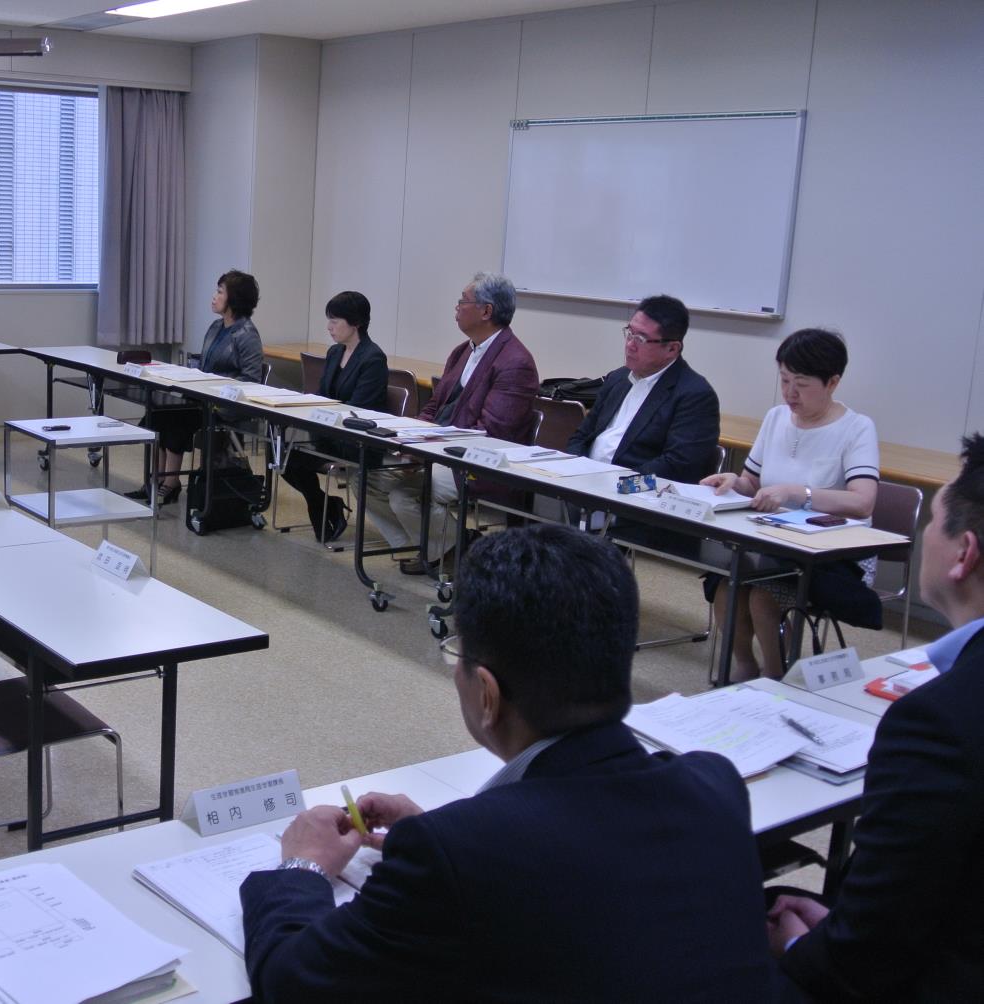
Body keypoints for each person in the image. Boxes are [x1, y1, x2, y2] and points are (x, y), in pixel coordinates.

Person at [239, 524, 777, 1001]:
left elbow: (293, 980)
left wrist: (302, 866)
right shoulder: (714, 785)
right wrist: (444, 834)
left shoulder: (458, 855)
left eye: (458, 654)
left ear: (488, 694)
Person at [769, 433, 984, 1000]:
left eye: (933, 522)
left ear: (965, 554)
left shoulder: (940, 721)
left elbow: (866, 956)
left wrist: (798, 946)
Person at [703, 329, 880, 680]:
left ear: (832, 382)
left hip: (835, 552)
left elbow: (862, 502)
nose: (790, 392)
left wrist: (800, 493)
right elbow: (752, 482)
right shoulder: (776, 418)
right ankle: (743, 667)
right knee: (726, 585)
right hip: (774, 540)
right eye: (784, 380)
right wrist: (734, 482)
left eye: (801, 383)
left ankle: (775, 677)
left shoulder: (857, 428)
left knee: (765, 596)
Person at [365, 272, 539, 574]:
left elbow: (492, 433)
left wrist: (427, 450)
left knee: (403, 494)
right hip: (439, 450)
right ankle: (433, 550)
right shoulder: (463, 351)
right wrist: (411, 438)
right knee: (366, 477)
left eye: (463, 301)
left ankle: (451, 555)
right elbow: (435, 406)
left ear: (486, 311)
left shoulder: (515, 362)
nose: (456, 307)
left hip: (478, 463)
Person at [129, 269, 264, 506]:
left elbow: (251, 380)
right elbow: (205, 364)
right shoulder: (215, 327)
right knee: (157, 412)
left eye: (220, 292)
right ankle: (156, 480)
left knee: (175, 418)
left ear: (234, 299)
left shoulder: (247, 334)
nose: (214, 296)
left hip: (225, 405)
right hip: (202, 397)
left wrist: (218, 388)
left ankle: (170, 483)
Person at [566, 293, 720, 483]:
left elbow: (678, 465)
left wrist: (615, 484)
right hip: (587, 485)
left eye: (641, 339)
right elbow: (581, 436)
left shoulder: (694, 395)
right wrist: (574, 468)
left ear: (672, 349)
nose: (630, 345)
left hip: (635, 497)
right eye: (629, 333)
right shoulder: (618, 378)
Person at [279, 291, 388, 540]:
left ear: (356, 323)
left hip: (354, 439)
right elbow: (323, 394)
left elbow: (360, 408)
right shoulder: (335, 352)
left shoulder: (373, 357)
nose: (329, 327)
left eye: (335, 321)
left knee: (294, 456)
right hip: (329, 432)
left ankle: (322, 508)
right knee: (282, 452)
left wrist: (322, 412)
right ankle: (322, 504)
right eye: (329, 320)